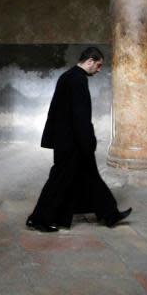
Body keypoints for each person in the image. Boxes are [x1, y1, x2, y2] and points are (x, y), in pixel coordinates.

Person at [26, 47, 131, 232]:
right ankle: (38, 219)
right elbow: (80, 116)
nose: (99, 70)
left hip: (66, 140)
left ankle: (110, 214)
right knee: (59, 181)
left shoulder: (68, 76)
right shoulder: (78, 80)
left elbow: (57, 112)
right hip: (72, 143)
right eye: (98, 65)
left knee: (90, 176)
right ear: (90, 61)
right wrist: (88, 141)